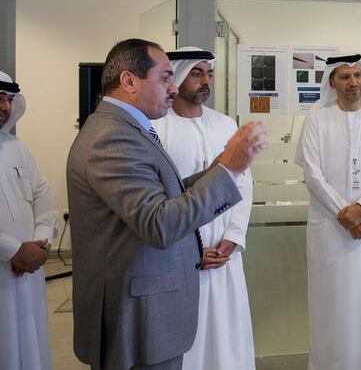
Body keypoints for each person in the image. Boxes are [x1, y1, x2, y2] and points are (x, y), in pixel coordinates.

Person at [67, 38, 267, 370]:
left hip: (151, 305)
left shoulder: (127, 129)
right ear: (129, 81)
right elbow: (159, 223)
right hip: (138, 316)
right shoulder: (112, 137)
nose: (173, 88)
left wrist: (221, 166)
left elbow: (167, 194)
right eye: (165, 78)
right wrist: (228, 168)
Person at [294, 53, 361, 370]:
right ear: (332, 82)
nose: (353, 82)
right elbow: (312, 174)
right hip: (330, 229)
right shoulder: (316, 120)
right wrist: (344, 214)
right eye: (345, 77)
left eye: (358, 75)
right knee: (335, 303)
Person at [151, 46, 255, 370]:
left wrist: (232, 239)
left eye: (208, 74)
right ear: (177, 77)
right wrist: (193, 247)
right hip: (178, 257)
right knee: (186, 343)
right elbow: (158, 197)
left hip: (223, 255)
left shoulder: (225, 125)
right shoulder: (156, 128)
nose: (205, 81)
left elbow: (244, 182)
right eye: (196, 73)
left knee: (227, 340)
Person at [0, 71, 59, 370]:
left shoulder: (17, 147)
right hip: (6, 266)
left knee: (30, 343)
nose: (5, 108)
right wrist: (14, 251)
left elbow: (43, 198)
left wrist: (39, 244)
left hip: (28, 270)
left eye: (9, 99)